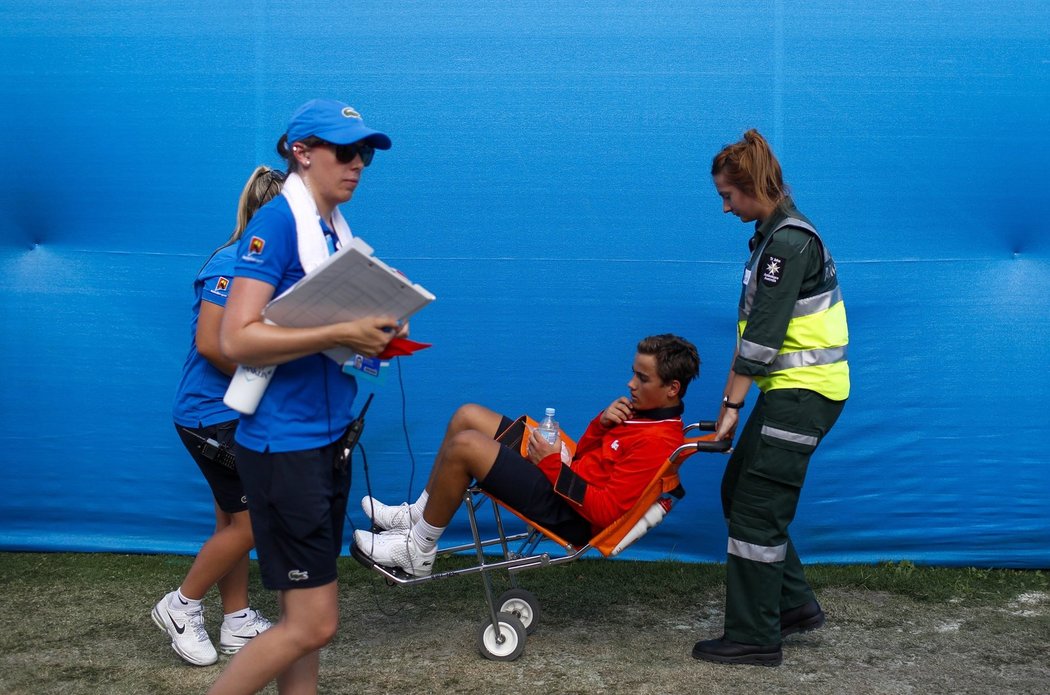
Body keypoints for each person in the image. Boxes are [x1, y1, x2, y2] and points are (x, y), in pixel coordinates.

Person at [206, 99, 400, 695]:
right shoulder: (279, 223)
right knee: (315, 625)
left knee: (300, 625)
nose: (359, 164)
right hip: (285, 447)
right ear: (302, 151)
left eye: (364, 152)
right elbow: (234, 337)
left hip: (320, 442)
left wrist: (375, 330)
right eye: (346, 151)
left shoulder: (329, 229)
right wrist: (343, 331)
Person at [691, 129, 849, 667]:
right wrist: (730, 405)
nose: (723, 207)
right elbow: (755, 338)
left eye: (727, 196)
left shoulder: (787, 243)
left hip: (804, 394)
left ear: (754, 185)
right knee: (740, 490)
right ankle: (793, 606)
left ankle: (755, 636)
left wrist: (730, 411)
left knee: (758, 510)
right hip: (789, 392)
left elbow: (761, 339)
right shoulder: (773, 236)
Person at [353, 334, 700, 577]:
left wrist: (550, 462)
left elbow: (606, 511)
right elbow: (590, 457)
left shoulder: (657, 441)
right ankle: (419, 515)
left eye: (642, 378)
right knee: (467, 415)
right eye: (633, 374)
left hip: (569, 513)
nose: (630, 384)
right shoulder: (638, 415)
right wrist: (600, 424)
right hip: (563, 475)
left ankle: (418, 550)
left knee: (466, 447)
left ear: (672, 388)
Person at [155, 166, 285, 666]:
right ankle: (181, 606)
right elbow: (211, 344)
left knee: (234, 519)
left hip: (233, 414)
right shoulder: (230, 264)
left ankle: (236, 620)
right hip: (209, 416)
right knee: (254, 522)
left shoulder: (271, 273)